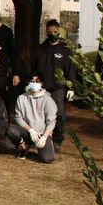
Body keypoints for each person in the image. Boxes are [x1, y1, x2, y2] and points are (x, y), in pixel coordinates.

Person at [34, 19, 76, 151]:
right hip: (42, 88)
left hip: (59, 88)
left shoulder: (66, 50)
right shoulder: (40, 49)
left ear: (59, 32)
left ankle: (57, 140)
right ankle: (41, 138)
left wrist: (71, 87)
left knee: (59, 114)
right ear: (46, 32)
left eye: (55, 32)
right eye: (50, 32)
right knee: (41, 114)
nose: (52, 34)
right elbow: (34, 68)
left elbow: (71, 69)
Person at [7, 73, 57, 164]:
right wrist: (31, 130)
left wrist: (44, 137)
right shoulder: (21, 98)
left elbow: (51, 122)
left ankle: (43, 146)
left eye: (37, 81)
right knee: (9, 129)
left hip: (42, 133)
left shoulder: (48, 100)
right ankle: (24, 146)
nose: (34, 83)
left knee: (48, 159)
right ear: (28, 83)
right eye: (32, 81)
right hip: (27, 131)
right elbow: (18, 118)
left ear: (41, 83)